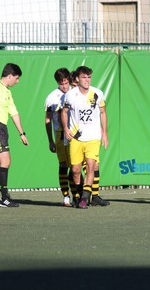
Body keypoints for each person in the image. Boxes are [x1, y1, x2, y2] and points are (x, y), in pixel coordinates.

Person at [61, 66, 109, 209]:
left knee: (91, 165)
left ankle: (85, 198)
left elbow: (103, 112)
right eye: (84, 77)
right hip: (76, 137)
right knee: (75, 170)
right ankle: (77, 194)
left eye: (89, 77)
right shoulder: (70, 95)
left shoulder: (97, 93)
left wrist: (104, 132)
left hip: (93, 136)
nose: (87, 80)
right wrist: (65, 128)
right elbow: (64, 112)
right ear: (77, 79)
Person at [0, 63, 29, 207]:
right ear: (9, 76)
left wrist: (22, 133)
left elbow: (14, 113)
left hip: (2, 128)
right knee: (6, 161)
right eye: (16, 78)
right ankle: (4, 198)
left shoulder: (7, 92)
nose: (18, 81)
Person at [45, 67, 76, 207]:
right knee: (63, 164)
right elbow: (48, 120)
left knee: (75, 165)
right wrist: (50, 140)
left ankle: (77, 194)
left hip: (75, 134)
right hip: (59, 134)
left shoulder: (75, 93)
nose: (64, 86)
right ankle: (65, 195)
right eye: (61, 83)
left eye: (66, 83)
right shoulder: (52, 97)